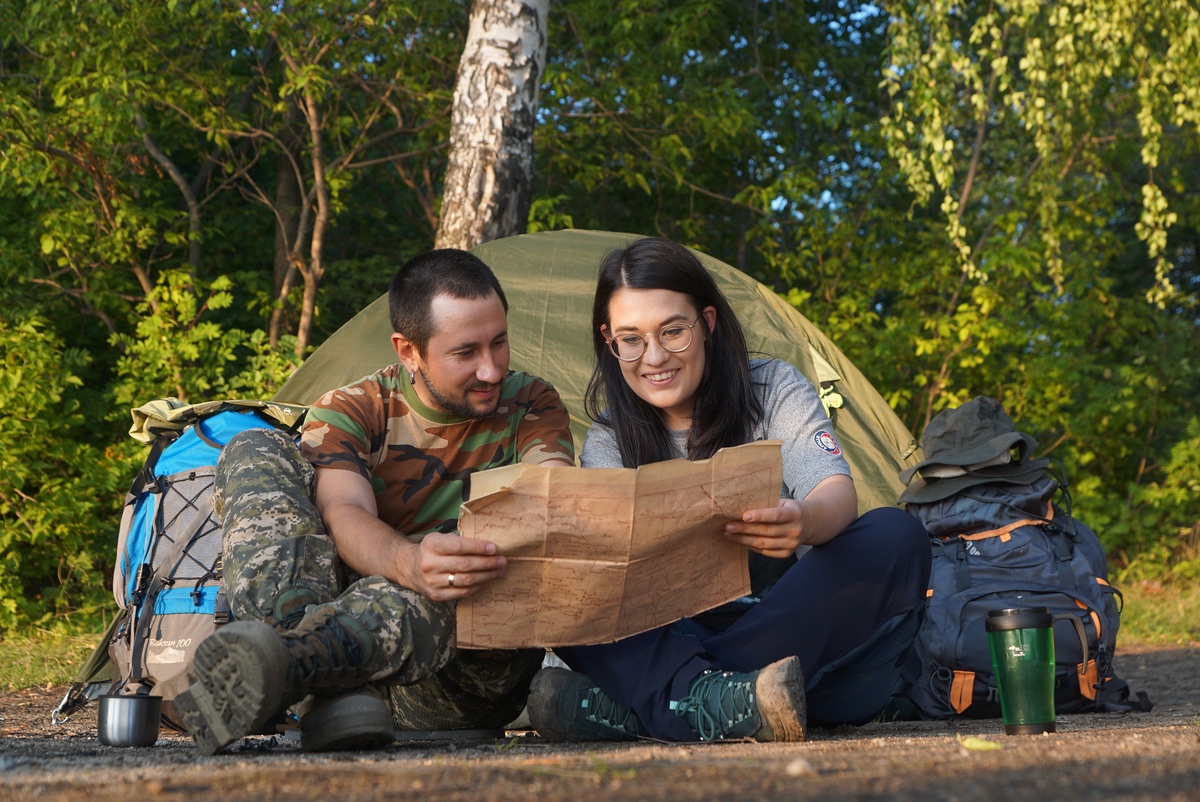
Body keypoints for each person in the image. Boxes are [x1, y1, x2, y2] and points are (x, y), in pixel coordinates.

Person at [527, 237, 932, 743]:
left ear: (708, 323)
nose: (654, 357)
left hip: (797, 639)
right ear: (609, 340)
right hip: (674, 633)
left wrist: (803, 519)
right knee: (559, 581)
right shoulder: (611, 438)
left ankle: (664, 701)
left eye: (673, 331)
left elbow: (836, 491)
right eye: (630, 339)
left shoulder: (773, 389)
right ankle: (713, 698)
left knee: (896, 534)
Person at [175, 248, 576, 754]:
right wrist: (410, 561)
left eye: (500, 343)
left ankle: (288, 667)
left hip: (455, 675)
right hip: (348, 621)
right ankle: (318, 681)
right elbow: (345, 513)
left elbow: (553, 497)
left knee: (473, 572)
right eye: (466, 353)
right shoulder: (354, 408)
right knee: (253, 447)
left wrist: (443, 566)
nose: (492, 370)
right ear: (409, 351)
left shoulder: (532, 403)